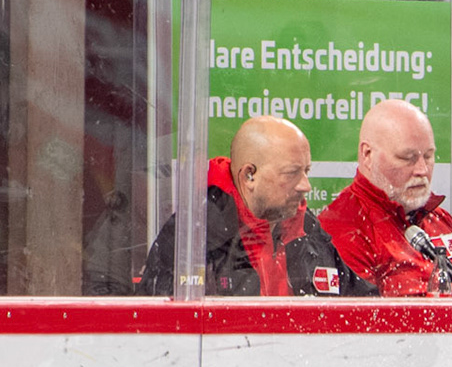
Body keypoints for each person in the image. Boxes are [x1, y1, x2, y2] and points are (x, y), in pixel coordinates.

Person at [139, 116, 371, 298]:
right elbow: (161, 332)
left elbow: (363, 308)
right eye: (292, 173)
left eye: (306, 171)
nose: (306, 186)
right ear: (249, 175)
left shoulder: (308, 231)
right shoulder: (194, 237)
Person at [320, 99, 452, 297]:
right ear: (368, 155)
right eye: (407, 158)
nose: (422, 170)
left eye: (428, 156)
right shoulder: (344, 228)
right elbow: (364, 314)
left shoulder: (441, 220)